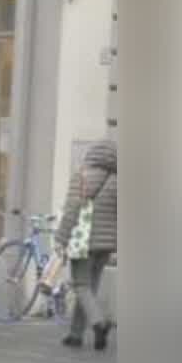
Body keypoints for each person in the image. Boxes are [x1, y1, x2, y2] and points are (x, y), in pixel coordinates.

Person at [55, 139, 118, 350]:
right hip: (106, 244)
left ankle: (99, 324)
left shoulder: (83, 176)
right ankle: (75, 334)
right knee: (89, 287)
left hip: (83, 241)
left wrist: (61, 238)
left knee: (81, 285)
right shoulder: (117, 179)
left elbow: (73, 208)